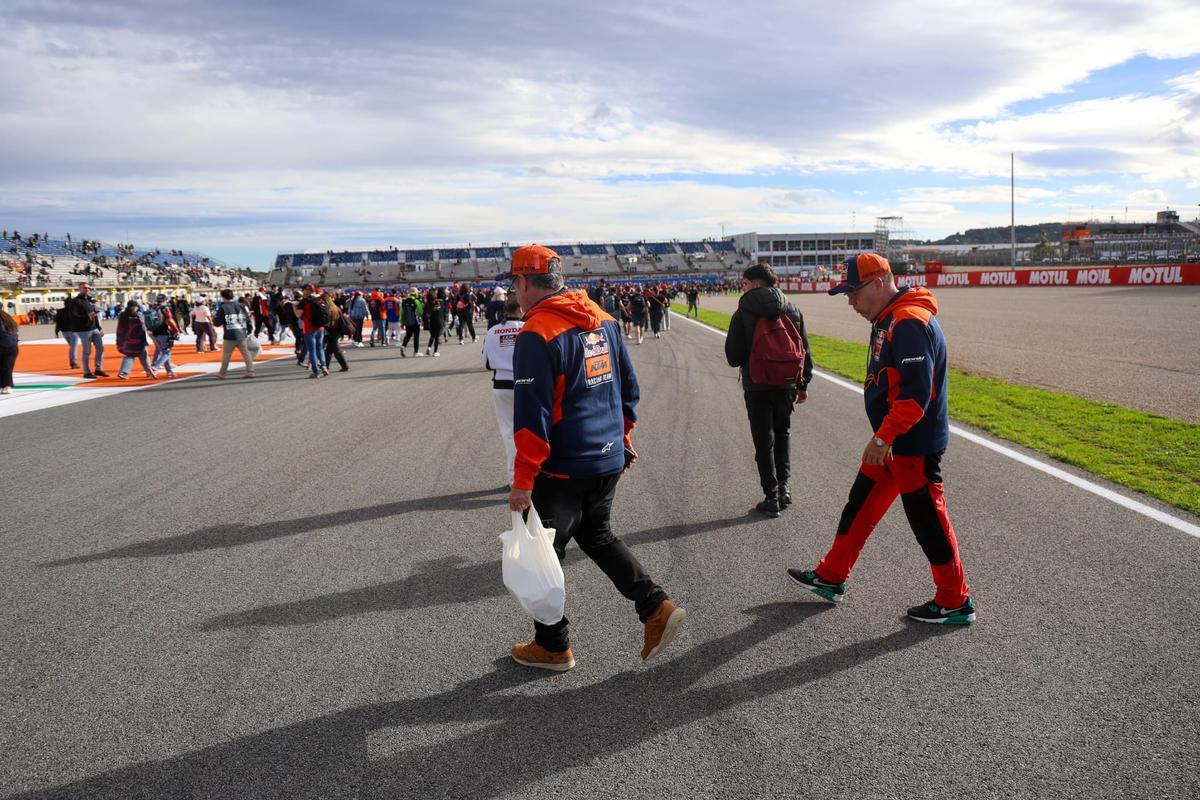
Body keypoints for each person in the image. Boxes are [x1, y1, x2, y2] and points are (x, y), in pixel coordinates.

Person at [506, 244, 685, 671]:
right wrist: (623, 436)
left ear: (525, 282)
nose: (515, 291)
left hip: (563, 465)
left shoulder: (536, 332)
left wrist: (522, 480)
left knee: (542, 553)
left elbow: (533, 416)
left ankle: (552, 645)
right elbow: (629, 388)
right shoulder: (603, 319)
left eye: (515, 282)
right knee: (597, 535)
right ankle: (656, 607)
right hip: (607, 457)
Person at [788, 253, 976, 625]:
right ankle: (831, 576)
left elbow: (914, 395)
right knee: (859, 505)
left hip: (911, 444)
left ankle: (954, 600)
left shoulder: (907, 321)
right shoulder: (889, 317)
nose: (850, 302)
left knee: (928, 519)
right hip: (892, 442)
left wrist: (883, 437)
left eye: (854, 293)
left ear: (878, 283)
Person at [724, 262, 812, 518]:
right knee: (783, 434)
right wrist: (803, 383)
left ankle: (771, 496)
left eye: (745, 284)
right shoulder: (793, 308)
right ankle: (785, 488)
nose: (743, 288)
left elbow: (733, 356)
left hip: (757, 383)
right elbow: (805, 349)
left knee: (764, 440)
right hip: (786, 382)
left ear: (757, 284)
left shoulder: (743, 310)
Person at [481, 293, 524, 485]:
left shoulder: (492, 331)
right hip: (528, 385)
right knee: (533, 431)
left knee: (509, 433)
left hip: (502, 385)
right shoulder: (529, 328)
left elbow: (486, 363)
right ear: (520, 309)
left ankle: (515, 479)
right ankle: (535, 476)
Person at [213, 288, 257, 379]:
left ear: (223, 297)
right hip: (241, 333)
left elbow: (217, 323)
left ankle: (222, 373)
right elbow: (247, 318)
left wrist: (215, 318)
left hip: (230, 334)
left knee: (227, 354)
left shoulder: (223, 307)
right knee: (246, 353)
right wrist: (249, 329)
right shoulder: (241, 305)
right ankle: (251, 371)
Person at [115, 300, 156, 380]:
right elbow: (141, 328)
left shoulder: (129, 315)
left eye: (135, 307)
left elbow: (142, 327)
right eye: (133, 307)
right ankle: (148, 371)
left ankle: (147, 371)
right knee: (136, 355)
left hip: (134, 339)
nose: (135, 308)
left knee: (137, 355)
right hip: (134, 339)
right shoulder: (130, 315)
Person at [297, 284, 328, 377]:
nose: (302, 291)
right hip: (320, 327)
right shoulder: (320, 299)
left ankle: (316, 372)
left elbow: (298, 315)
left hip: (309, 328)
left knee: (312, 350)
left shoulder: (304, 301)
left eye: (304, 290)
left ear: (308, 291)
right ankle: (324, 366)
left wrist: (294, 307)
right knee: (320, 348)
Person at [146, 294, 180, 378]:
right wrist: (176, 330)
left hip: (155, 333)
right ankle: (155, 367)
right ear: (165, 300)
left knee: (164, 351)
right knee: (167, 352)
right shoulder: (165, 308)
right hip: (164, 332)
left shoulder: (153, 308)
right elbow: (170, 320)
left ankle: (169, 371)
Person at [323, 293, 350, 372]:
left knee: (334, 350)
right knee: (329, 350)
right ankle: (327, 366)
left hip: (332, 331)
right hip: (337, 331)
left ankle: (344, 366)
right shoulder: (335, 307)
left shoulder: (328, 309)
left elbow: (330, 322)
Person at [400, 288, 423, 357]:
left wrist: (402, 322)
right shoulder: (416, 301)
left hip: (407, 321)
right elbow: (420, 311)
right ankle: (416, 352)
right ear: (415, 293)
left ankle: (403, 346)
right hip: (415, 321)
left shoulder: (404, 301)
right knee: (416, 336)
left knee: (408, 335)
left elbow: (401, 313)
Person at [0, 308, 18, 394]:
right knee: (7, 367)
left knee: (4, 367)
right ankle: (7, 386)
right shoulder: (8, 318)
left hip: (3, 346)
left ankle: (5, 386)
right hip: (13, 346)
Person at [424, 289, 445, 357]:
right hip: (439, 322)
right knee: (437, 337)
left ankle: (429, 348)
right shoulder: (440, 302)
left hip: (431, 323)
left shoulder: (427, 305)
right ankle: (435, 351)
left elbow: (425, 314)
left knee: (432, 336)